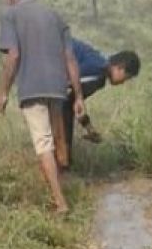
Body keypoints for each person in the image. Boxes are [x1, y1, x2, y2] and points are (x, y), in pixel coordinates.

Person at [0, 0, 85, 214]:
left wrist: (2, 92)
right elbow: (70, 58)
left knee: (43, 144)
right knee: (56, 141)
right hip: (58, 88)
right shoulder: (56, 16)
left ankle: (60, 203)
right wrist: (78, 96)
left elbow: (13, 55)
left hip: (31, 90)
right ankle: (62, 185)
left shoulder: (10, 14)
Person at [58, 38, 141, 169]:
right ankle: (62, 162)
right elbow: (63, 87)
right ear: (120, 68)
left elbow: (73, 102)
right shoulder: (98, 70)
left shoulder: (100, 69)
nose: (123, 82)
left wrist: (89, 128)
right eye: (127, 77)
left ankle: (63, 161)